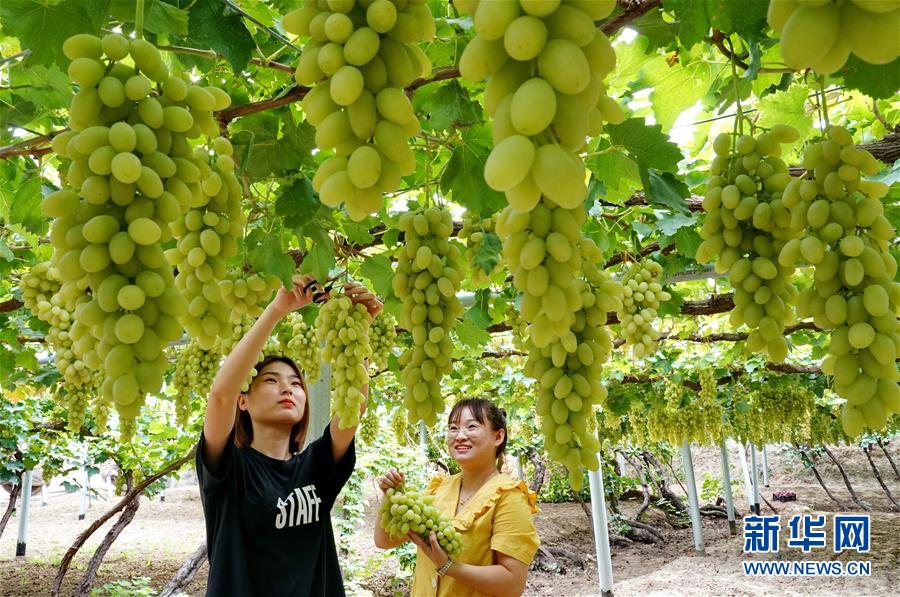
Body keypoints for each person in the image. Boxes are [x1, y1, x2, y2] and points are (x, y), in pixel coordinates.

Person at [197, 275, 382, 596]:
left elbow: (353, 411)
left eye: (296, 383)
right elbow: (220, 397)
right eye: (271, 380)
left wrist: (359, 329)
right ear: (243, 400)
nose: (287, 387)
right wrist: (276, 310)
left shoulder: (316, 465)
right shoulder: (229, 470)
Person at [374, 398, 540, 597]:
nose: (460, 436)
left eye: (471, 426)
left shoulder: (509, 498)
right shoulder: (438, 489)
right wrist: (390, 496)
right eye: (453, 428)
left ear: (498, 437)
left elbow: (512, 584)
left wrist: (448, 566)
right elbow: (384, 541)